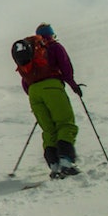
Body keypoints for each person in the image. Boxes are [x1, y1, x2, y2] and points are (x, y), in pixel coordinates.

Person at [15, 23, 82, 177]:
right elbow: (66, 67)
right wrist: (73, 85)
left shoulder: (30, 52)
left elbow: (25, 80)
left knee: (48, 129)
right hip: (52, 87)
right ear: (51, 34)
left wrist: (36, 95)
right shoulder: (54, 47)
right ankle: (66, 162)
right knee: (65, 123)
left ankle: (54, 165)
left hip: (34, 93)